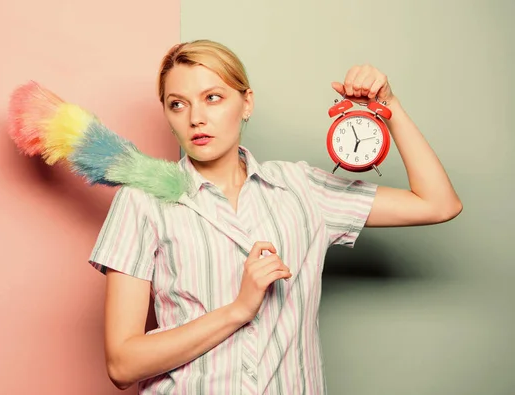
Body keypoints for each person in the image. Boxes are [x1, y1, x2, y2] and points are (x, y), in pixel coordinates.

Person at [88, 39, 462, 394]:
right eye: (178, 104)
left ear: (246, 103)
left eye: (212, 98)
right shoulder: (141, 202)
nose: (196, 118)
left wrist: (388, 105)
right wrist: (238, 310)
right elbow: (123, 365)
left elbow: (438, 203)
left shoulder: (302, 189)